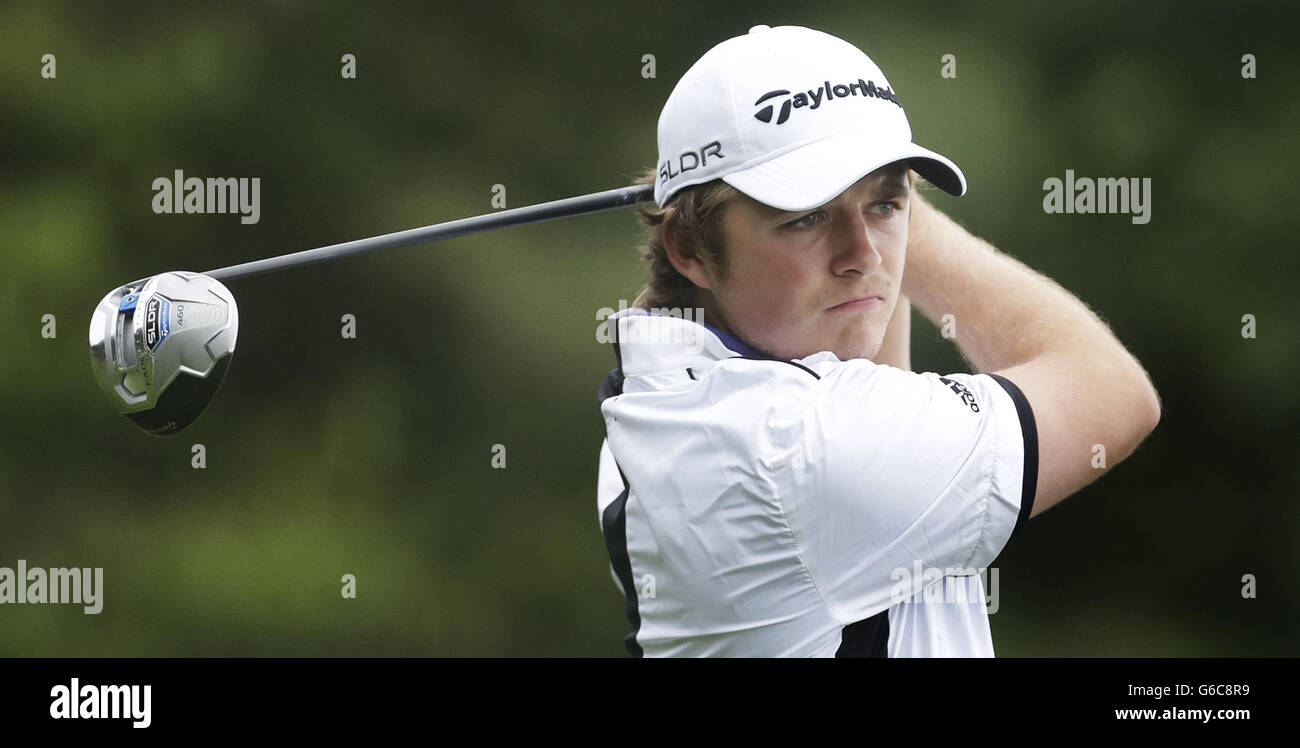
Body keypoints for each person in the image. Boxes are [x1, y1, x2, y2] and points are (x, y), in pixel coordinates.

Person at [595, 24, 1160, 657]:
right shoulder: (800, 445)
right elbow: (1113, 392)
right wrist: (895, 206)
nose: (863, 256)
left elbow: (871, 379)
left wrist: (858, 183)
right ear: (688, 246)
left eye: (885, 207)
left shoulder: (660, 391)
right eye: (806, 216)